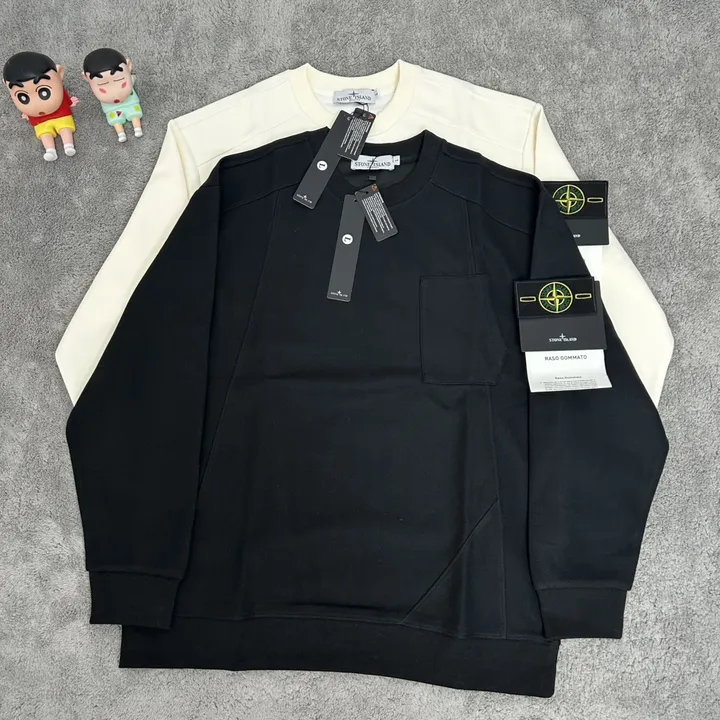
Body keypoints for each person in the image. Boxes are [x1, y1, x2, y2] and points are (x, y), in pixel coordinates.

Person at [3, 51, 78, 161]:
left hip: (61, 114)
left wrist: (70, 102)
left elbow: (65, 97)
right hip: (40, 121)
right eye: (23, 97)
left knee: (65, 128)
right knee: (44, 134)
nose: (37, 104)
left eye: (44, 92)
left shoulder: (61, 94)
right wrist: (27, 113)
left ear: (59, 74)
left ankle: (68, 145)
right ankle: (50, 151)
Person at [82, 47, 143, 143]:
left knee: (135, 115)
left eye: (120, 80)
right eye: (102, 85)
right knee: (116, 121)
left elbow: (133, 79)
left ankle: (137, 128)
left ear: (128, 67)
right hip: (111, 109)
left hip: (130, 102)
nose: (114, 90)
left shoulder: (130, 79)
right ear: (86, 78)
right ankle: (121, 133)